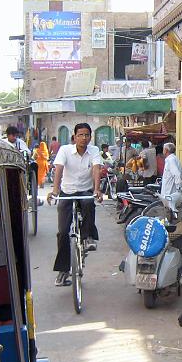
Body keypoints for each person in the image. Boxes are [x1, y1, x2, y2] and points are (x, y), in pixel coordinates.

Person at [47, 123, 103, 287]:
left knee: (88, 202)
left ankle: (88, 237)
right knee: (63, 232)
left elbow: (96, 169)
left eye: (87, 135)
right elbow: (58, 169)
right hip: (67, 192)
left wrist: (98, 189)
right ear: (75, 136)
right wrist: (55, 191)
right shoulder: (65, 150)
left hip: (85, 190)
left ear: (90, 137)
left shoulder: (93, 151)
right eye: (81, 135)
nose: (84, 138)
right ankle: (63, 271)